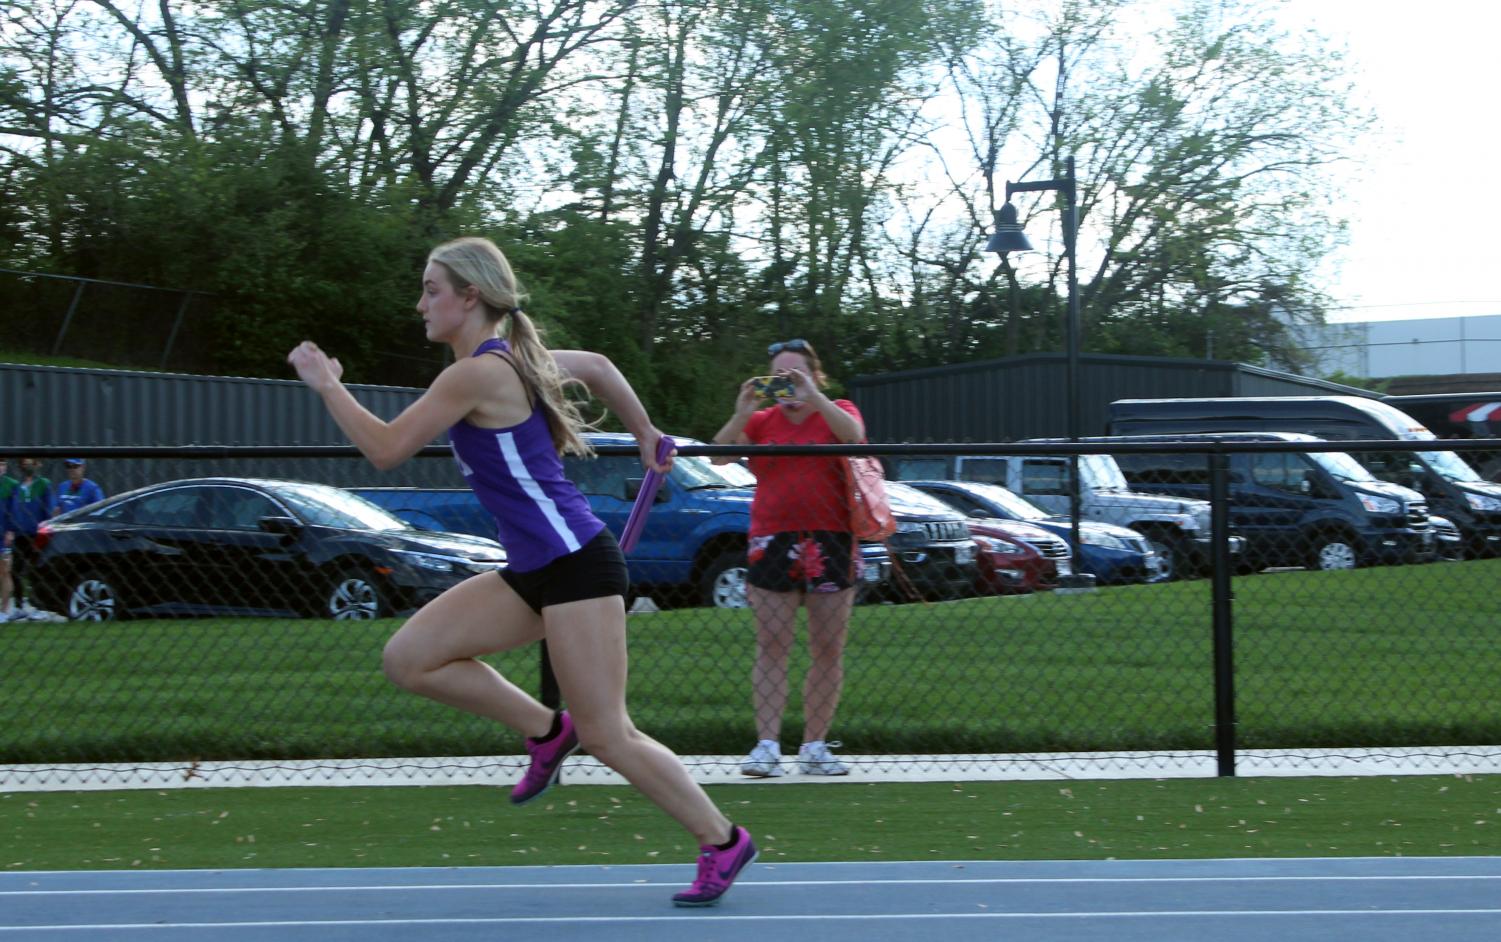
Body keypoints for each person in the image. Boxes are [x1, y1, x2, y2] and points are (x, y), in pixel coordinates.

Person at [287, 235, 755, 907]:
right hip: (536, 568)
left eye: (431, 290)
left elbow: (386, 450)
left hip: (576, 568)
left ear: (470, 297)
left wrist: (327, 385)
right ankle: (545, 729)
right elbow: (595, 366)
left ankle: (722, 840)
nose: (420, 303)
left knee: (609, 732)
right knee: (410, 658)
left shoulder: (475, 373)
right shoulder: (515, 361)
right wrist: (647, 432)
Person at [712, 339, 866, 778]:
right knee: (772, 645)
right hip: (772, 539)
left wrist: (814, 397)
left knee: (827, 648)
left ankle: (815, 746)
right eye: (780, 377)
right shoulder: (762, 422)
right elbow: (717, 455)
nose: (789, 385)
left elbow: (853, 437)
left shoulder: (839, 409)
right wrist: (742, 411)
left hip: (832, 539)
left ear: (816, 376)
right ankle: (767, 746)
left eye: (796, 375)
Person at [3, 457, 52, 620]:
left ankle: (37, 606)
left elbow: (49, 510)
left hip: (37, 534)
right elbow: (12, 510)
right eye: (24, 462)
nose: (27, 465)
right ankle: (18, 606)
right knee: (16, 571)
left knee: (35, 570)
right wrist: (11, 530)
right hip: (20, 534)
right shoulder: (17, 487)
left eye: (31, 462)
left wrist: (46, 529)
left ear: (38, 464)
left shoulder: (43, 484)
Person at [0, 457, 15, 622]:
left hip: (3, 535)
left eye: (2, 463)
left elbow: (15, 510)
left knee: (5, 570)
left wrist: (10, 530)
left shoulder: (11, 485)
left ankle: (4, 610)